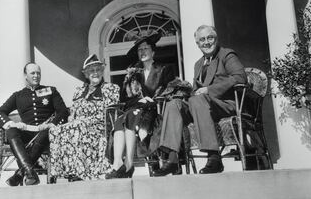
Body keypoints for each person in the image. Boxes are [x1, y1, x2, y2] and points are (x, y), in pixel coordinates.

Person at [153, 25, 247, 176]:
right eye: (202, 40)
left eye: (210, 38)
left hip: (223, 104)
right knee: (173, 105)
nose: (206, 42)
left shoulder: (226, 55)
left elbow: (240, 77)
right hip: (202, 107)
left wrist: (209, 90)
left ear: (216, 39)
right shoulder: (198, 64)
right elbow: (196, 91)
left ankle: (214, 157)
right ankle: (172, 160)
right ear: (197, 43)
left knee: (198, 100)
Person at [105, 32, 176, 179]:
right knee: (119, 121)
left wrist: (150, 101)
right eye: (140, 50)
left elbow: (169, 92)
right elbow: (125, 99)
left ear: (153, 51)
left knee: (131, 115)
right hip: (136, 110)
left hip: (157, 112)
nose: (142, 52)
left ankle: (129, 164)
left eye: (145, 48)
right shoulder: (133, 74)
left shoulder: (164, 69)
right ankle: (118, 163)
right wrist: (139, 102)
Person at [0, 63, 69, 186]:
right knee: (11, 131)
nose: (36, 76)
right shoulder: (18, 95)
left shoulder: (51, 90)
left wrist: (52, 124)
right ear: (25, 75)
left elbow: (63, 111)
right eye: (32, 73)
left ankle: (20, 174)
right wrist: (12, 123)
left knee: (45, 133)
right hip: (27, 132)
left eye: (38, 73)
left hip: (46, 132)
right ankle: (28, 171)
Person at [49, 54, 120, 181]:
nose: (95, 73)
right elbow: (73, 113)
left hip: (100, 127)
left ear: (102, 71)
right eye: (91, 71)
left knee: (78, 126)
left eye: (98, 70)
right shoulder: (79, 91)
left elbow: (111, 112)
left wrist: (83, 121)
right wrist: (71, 120)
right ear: (86, 74)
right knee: (55, 130)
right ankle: (63, 172)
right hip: (79, 125)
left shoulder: (111, 88)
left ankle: (83, 172)